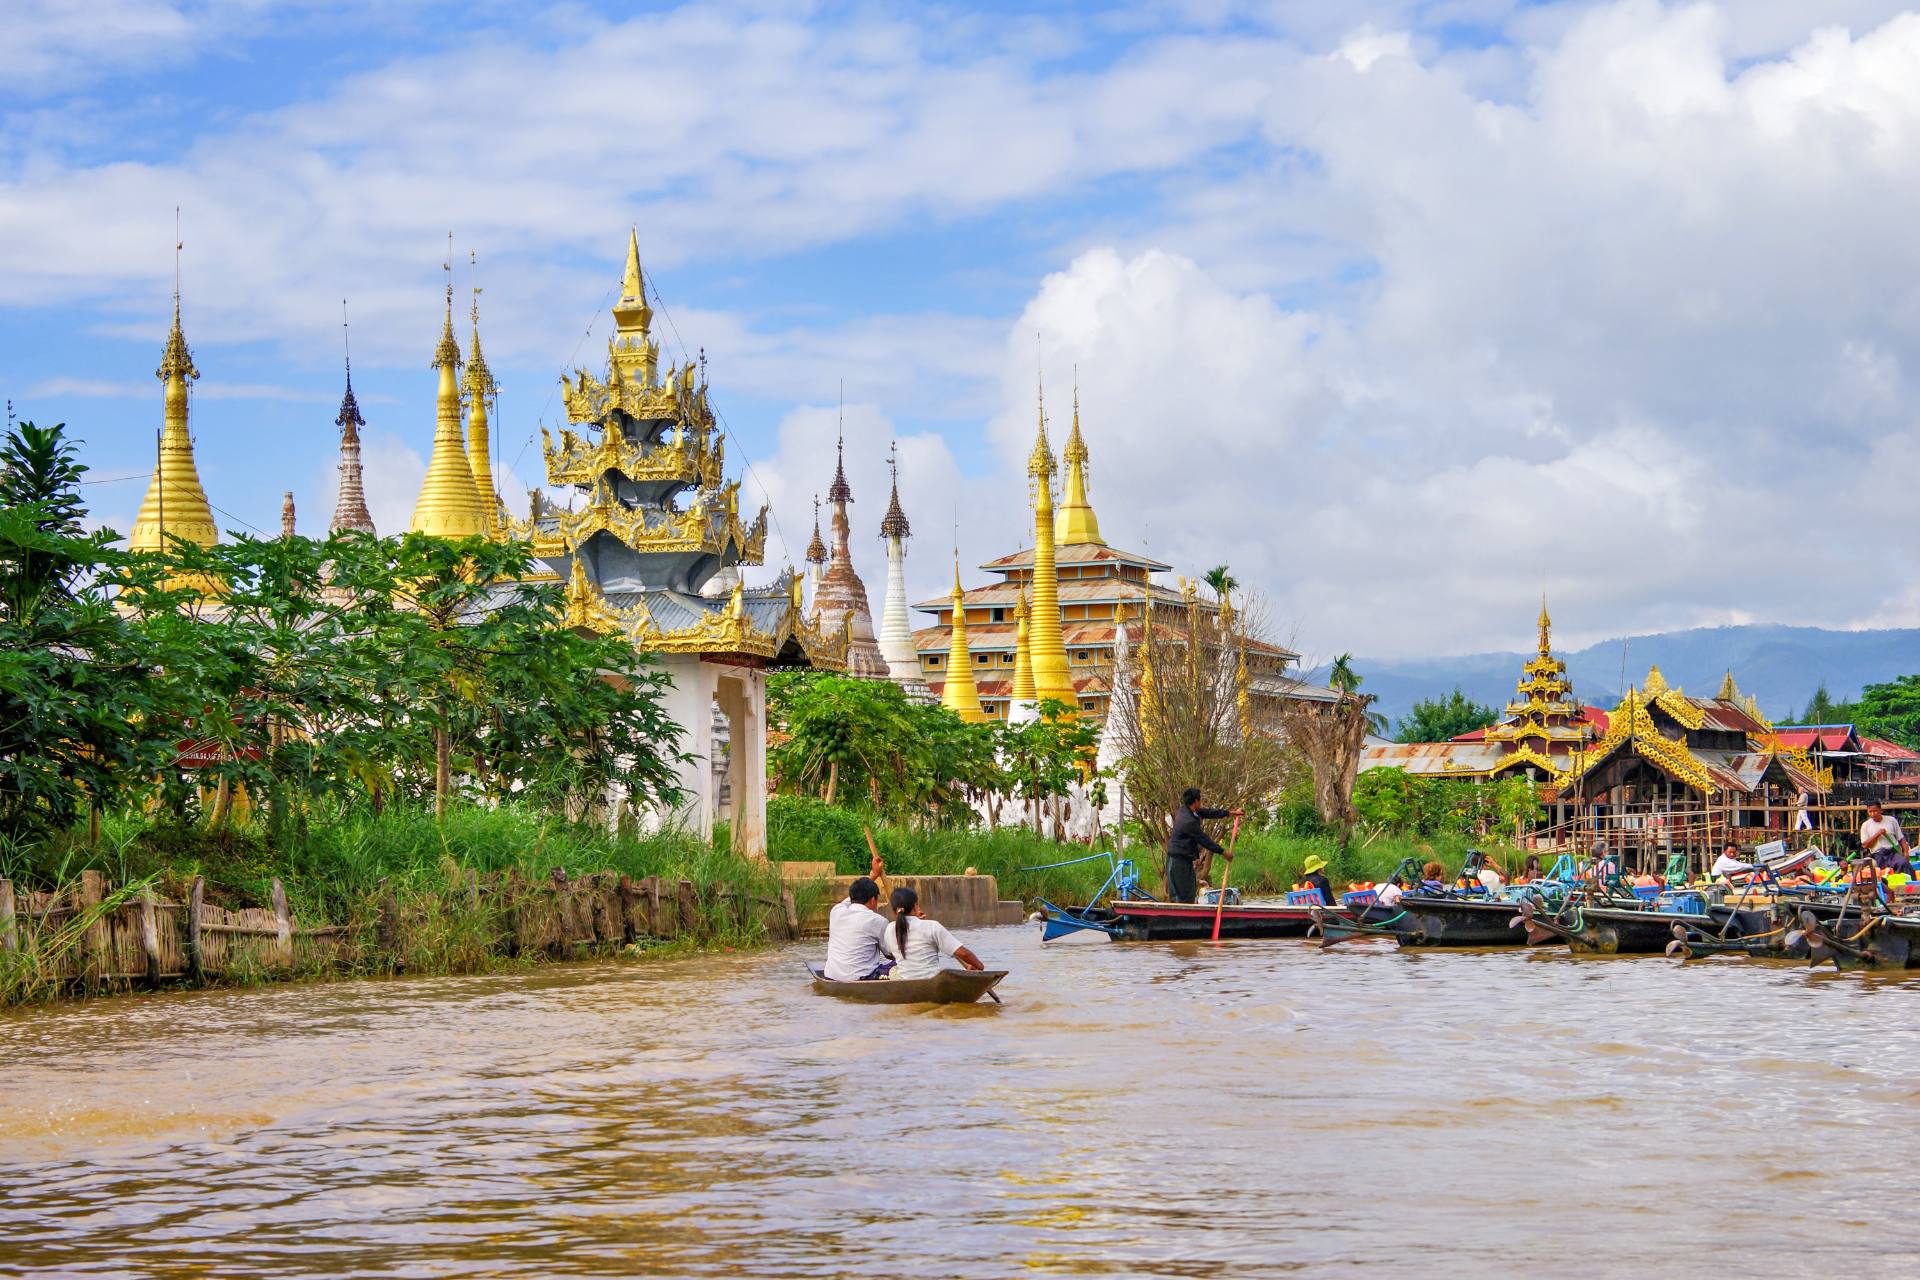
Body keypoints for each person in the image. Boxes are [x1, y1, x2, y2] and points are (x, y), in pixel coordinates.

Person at [881, 886, 985, 980]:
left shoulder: (889, 929)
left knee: (893, 971)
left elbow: (894, 954)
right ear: (915, 906)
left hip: (906, 983)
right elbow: (962, 953)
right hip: (931, 981)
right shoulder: (931, 926)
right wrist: (980, 967)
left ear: (894, 911)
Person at [1165, 787, 1242, 904]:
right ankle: (1181, 919)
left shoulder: (1187, 810)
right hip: (1178, 862)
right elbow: (1204, 840)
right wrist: (1223, 852)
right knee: (1182, 896)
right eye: (1200, 800)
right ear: (1195, 801)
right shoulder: (1188, 821)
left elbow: (1208, 812)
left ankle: (1187, 919)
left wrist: (1230, 813)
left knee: (1188, 890)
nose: (1201, 803)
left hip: (1181, 860)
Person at [822, 876, 893, 982]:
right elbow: (890, 953)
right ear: (873, 900)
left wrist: (872, 876)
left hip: (831, 975)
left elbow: (848, 901)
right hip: (862, 977)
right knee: (906, 959)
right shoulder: (878, 921)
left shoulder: (836, 911)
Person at [1860, 801, 1914, 874]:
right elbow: (1865, 845)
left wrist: (1906, 853)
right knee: (1884, 872)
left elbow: (1901, 838)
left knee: (1903, 863)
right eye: (1870, 812)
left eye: (1875, 811)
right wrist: (1877, 834)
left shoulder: (1891, 820)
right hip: (1878, 854)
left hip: (1893, 852)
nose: (1872, 814)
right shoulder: (1865, 825)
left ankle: (1905, 883)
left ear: (1880, 810)